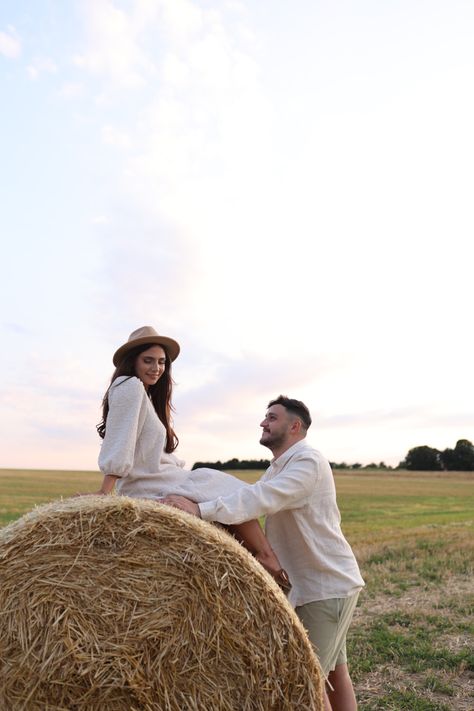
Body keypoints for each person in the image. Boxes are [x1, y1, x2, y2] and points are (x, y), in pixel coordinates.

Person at [163, 396, 365, 711]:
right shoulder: (280, 467)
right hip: (324, 586)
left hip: (323, 589)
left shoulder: (307, 462)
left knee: (307, 682)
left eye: (272, 417)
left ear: (295, 426)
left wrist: (199, 509)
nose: (263, 422)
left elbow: (259, 499)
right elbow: (247, 495)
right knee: (335, 674)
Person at [89, 325, 290, 590]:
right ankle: (267, 558)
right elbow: (121, 440)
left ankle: (253, 569)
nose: (156, 368)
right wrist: (105, 492)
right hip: (149, 484)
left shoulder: (144, 394)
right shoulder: (129, 386)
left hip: (158, 478)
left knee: (219, 496)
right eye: (148, 360)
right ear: (132, 361)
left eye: (161, 362)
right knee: (219, 485)